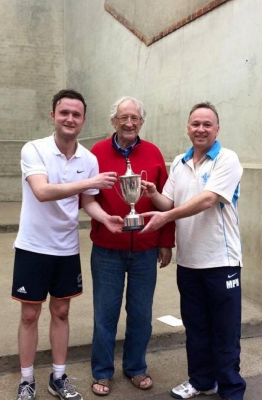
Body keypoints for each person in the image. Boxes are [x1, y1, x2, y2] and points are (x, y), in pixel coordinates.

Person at [11, 89, 122, 400]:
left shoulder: (88, 159)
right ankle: (27, 379)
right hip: (33, 247)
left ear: (83, 120)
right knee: (30, 315)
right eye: (64, 113)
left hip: (66, 249)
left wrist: (106, 218)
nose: (70, 118)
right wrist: (90, 183)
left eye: (76, 114)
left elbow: (88, 202)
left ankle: (58, 378)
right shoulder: (33, 149)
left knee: (61, 312)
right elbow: (42, 191)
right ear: (53, 116)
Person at [140, 102, 246, 400]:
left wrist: (167, 216)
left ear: (217, 129)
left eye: (207, 124)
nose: (201, 129)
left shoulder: (227, 159)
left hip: (221, 262)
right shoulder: (179, 162)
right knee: (196, 328)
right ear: (188, 128)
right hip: (189, 263)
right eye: (195, 124)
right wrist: (153, 195)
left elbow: (207, 199)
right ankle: (201, 381)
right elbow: (169, 203)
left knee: (224, 331)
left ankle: (230, 389)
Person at [81, 96, 175, 396]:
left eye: (135, 117)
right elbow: (88, 197)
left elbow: (167, 203)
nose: (129, 123)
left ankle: (135, 367)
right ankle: (103, 371)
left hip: (146, 249)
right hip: (108, 249)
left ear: (142, 122)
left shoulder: (153, 153)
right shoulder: (96, 153)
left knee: (141, 314)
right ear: (113, 121)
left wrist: (166, 242)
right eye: (123, 117)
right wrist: (105, 218)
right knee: (105, 313)